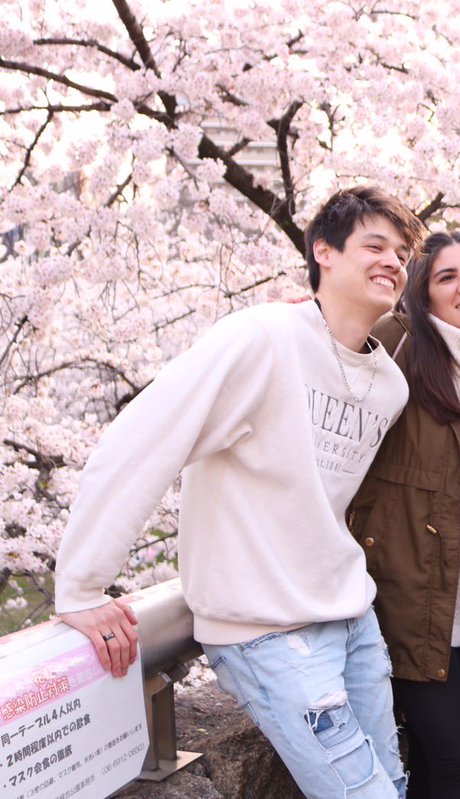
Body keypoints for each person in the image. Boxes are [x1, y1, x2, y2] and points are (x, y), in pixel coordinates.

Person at [53, 186, 424, 798]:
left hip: (353, 616)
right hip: (267, 630)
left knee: (393, 781)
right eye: (374, 246)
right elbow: (143, 440)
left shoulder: (389, 385)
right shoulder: (260, 338)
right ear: (324, 251)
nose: (392, 261)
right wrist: (82, 585)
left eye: (401, 254)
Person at [349, 230, 460, 799]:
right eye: (446, 277)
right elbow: (329, 352)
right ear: (421, 295)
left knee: (431, 766)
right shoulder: (396, 347)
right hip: (410, 607)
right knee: (457, 763)